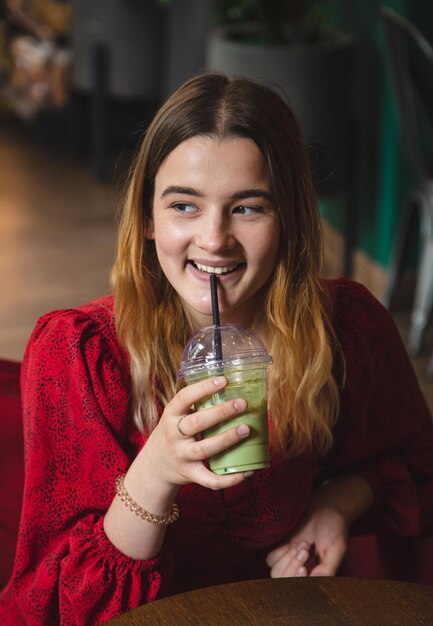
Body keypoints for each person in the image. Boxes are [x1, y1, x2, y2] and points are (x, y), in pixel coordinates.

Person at [1, 72, 433, 625]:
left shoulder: (346, 330)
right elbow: (59, 607)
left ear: (290, 220)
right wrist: (155, 472)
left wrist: (336, 503)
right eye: (184, 206)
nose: (213, 238)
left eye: (249, 208)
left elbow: (414, 463)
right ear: (146, 219)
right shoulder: (80, 354)